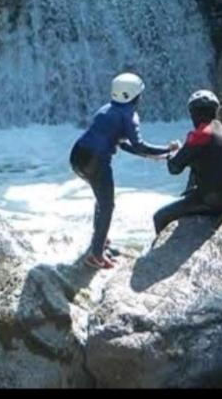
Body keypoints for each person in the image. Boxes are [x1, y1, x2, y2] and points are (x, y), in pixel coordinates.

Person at [70, 73, 179, 270]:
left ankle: (99, 241)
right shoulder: (129, 115)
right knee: (107, 205)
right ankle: (96, 255)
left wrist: (156, 155)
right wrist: (167, 150)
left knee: (101, 200)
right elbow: (139, 146)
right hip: (96, 162)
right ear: (134, 96)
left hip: (78, 157)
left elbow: (123, 144)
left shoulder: (106, 110)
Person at [154, 90, 222, 234]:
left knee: (159, 217)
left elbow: (174, 168)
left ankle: (162, 255)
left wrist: (172, 153)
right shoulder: (220, 128)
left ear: (193, 114)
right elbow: (204, 156)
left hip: (214, 199)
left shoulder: (200, 135)